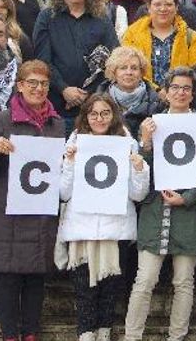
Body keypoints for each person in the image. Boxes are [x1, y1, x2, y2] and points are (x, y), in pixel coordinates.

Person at [0, 60, 63, 341]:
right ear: (20, 86)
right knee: (9, 277)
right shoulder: (1, 119)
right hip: (8, 210)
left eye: (43, 84)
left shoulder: (57, 123)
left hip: (41, 209)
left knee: (36, 276)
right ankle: (10, 334)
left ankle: (31, 333)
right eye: (32, 83)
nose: (38, 89)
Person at [124, 67, 196, 341]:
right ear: (166, 91)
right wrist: (146, 142)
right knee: (145, 279)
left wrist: (186, 198)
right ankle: (132, 336)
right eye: (175, 87)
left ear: (193, 93)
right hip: (155, 211)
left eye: (186, 88)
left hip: (190, 213)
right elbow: (140, 169)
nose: (180, 93)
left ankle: (177, 337)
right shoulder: (152, 124)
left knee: (184, 281)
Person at [58, 94, 149, 341]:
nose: (99, 119)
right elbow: (63, 193)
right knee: (85, 294)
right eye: (94, 114)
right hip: (81, 230)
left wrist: (139, 169)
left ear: (114, 115)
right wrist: (69, 162)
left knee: (110, 294)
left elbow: (138, 195)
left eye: (105, 113)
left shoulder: (126, 143)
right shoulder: (75, 142)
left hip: (115, 229)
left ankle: (104, 335)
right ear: (86, 117)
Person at [33, 0, 119, 131]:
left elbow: (113, 58)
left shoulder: (101, 18)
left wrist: (91, 94)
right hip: (55, 105)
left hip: (94, 109)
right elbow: (42, 60)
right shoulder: (47, 17)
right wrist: (64, 89)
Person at [122, 0, 196, 90]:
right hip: (142, 96)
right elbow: (127, 69)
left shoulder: (190, 37)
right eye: (157, 5)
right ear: (149, 7)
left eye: (168, 4)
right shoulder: (132, 34)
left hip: (179, 97)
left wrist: (173, 90)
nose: (163, 9)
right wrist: (156, 90)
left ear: (176, 7)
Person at [96, 46, 160, 139]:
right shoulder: (97, 101)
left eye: (134, 68)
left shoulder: (156, 103)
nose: (129, 72)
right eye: (123, 68)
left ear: (141, 72)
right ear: (114, 72)